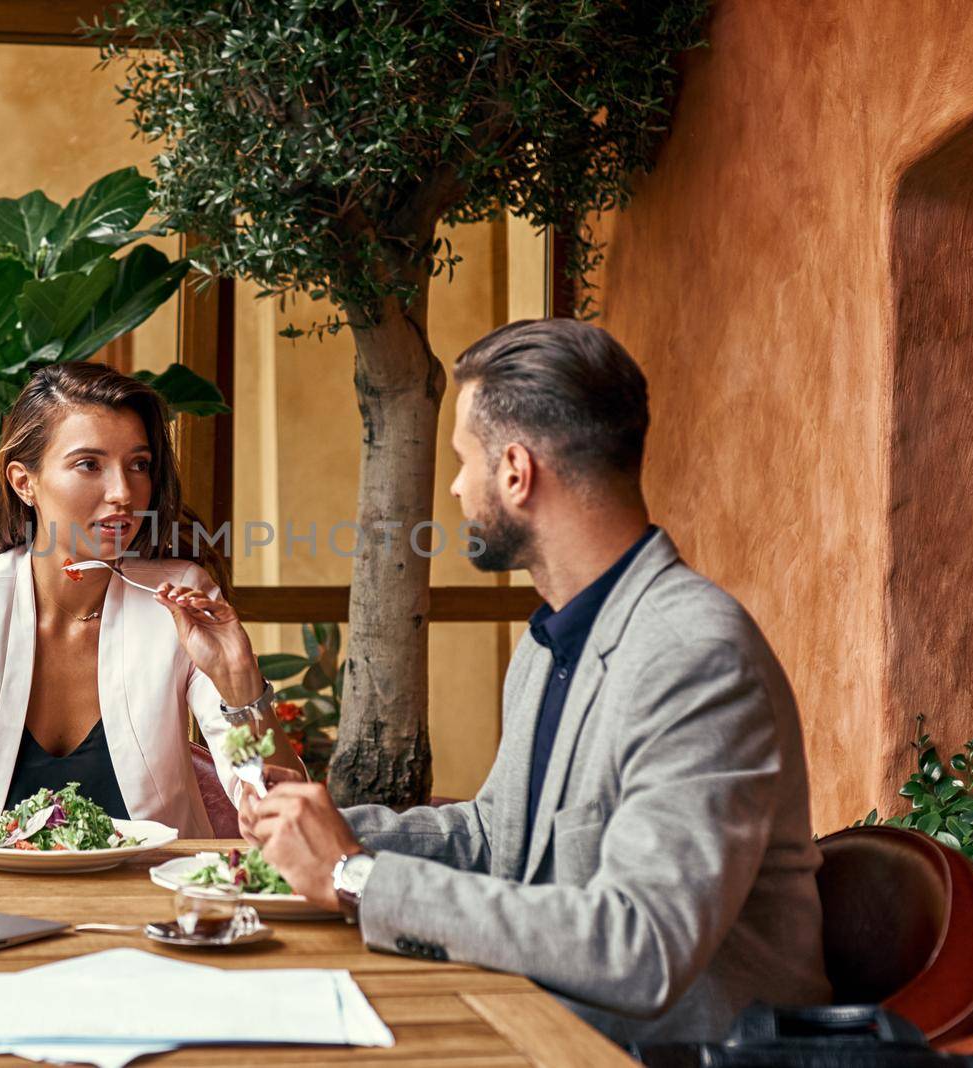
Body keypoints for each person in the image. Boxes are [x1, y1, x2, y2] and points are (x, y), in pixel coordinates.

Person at [242, 319, 831, 1044]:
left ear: (516, 472)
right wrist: (331, 838)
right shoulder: (550, 638)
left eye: (462, 461)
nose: (455, 487)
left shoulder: (693, 656)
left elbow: (639, 946)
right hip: (539, 1025)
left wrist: (356, 878)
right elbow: (497, 836)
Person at [0, 362, 303, 844]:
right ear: (24, 482)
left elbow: (279, 814)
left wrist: (243, 683)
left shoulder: (180, 600)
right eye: (89, 465)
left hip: (155, 902)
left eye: (138, 465)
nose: (124, 493)